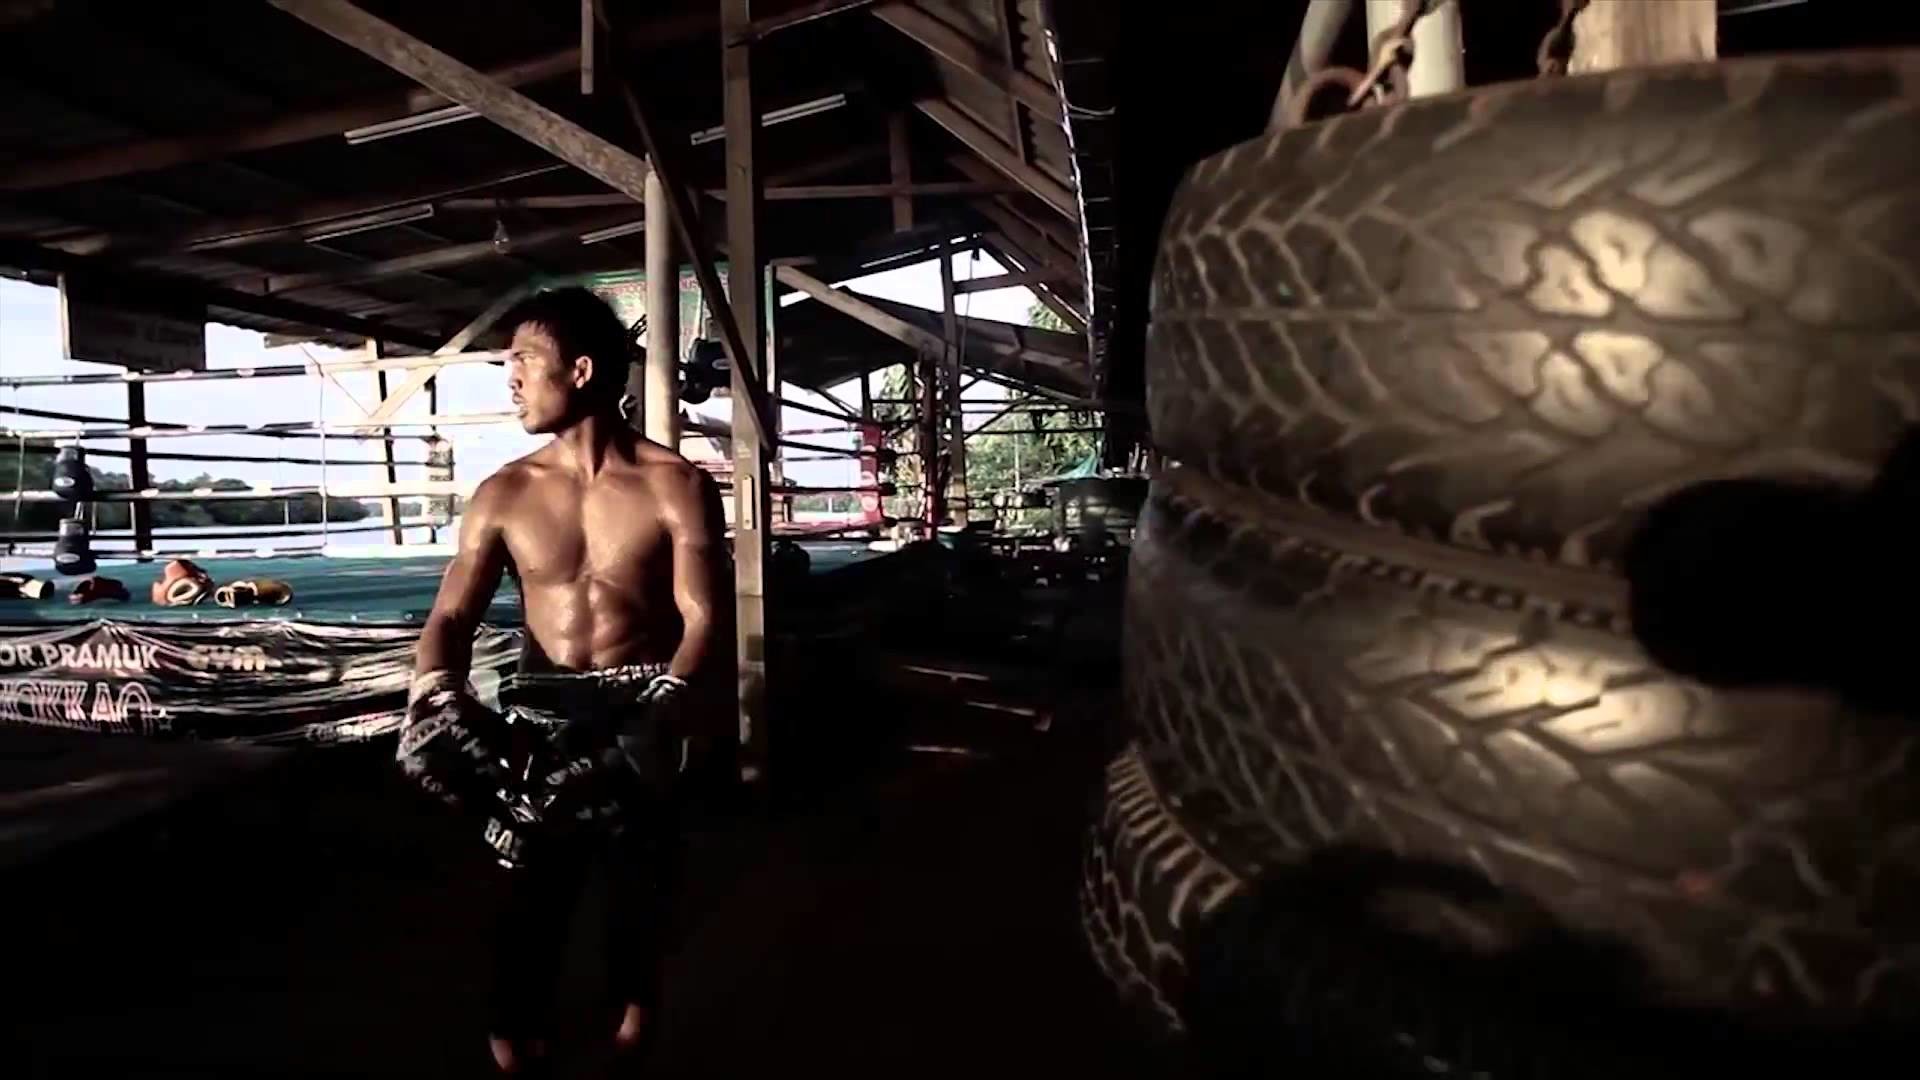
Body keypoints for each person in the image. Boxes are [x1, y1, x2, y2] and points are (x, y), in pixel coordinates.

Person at [398, 286, 727, 1074]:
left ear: (580, 371)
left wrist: (669, 703)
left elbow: (704, 618)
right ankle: (517, 1047)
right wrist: (436, 689)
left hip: (642, 704)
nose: (510, 379)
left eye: (524, 360)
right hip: (540, 717)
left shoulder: (675, 484)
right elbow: (451, 617)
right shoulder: (503, 494)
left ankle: (634, 1037)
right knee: (527, 896)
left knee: (636, 896)